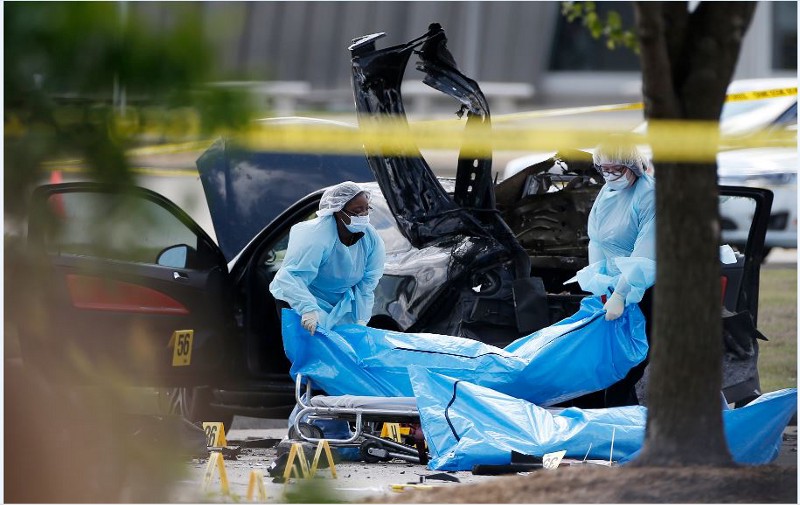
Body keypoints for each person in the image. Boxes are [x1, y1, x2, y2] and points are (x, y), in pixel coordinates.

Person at [576, 138, 656, 406]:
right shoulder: (608, 192)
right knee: (610, 360)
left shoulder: (650, 197)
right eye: (604, 169)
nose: (610, 175)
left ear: (633, 166)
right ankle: (613, 419)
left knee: (633, 362)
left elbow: (644, 253)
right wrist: (600, 285)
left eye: (616, 169)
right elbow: (596, 239)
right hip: (614, 285)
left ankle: (622, 421)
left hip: (650, 288)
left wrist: (621, 294)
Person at [270, 181, 386, 334]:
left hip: (335, 303)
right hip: (297, 297)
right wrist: (307, 309)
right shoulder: (315, 236)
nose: (364, 215)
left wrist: (361, 318)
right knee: (306, 350)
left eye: (367, 209)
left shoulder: (370, 238)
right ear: (338, 210)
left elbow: (368, 281)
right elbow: (292, 276)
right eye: (358, 210)